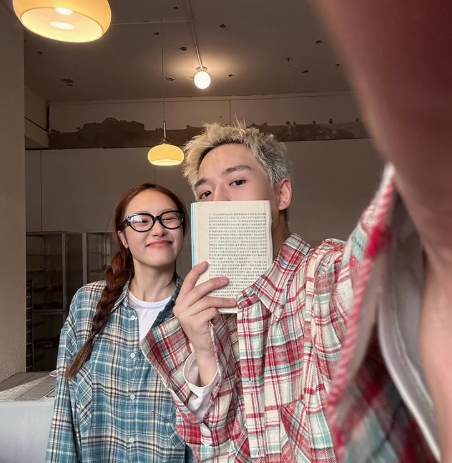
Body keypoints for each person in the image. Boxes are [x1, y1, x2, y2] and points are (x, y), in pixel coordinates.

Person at [142, 1, 452, 461]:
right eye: (204, 192)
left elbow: (372, 255)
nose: (218, 201)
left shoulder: (321, 277)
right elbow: (212, 448)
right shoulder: (206, 313)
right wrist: (204, 351)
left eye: (237, 182)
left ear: (281, 194)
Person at [46, 182, 194, 462]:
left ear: (183, 230)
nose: (158, 229)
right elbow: (64, 410)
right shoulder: (87, 303)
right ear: (123, 237)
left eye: (169, 218)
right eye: (141, 220)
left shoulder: (200, 310)